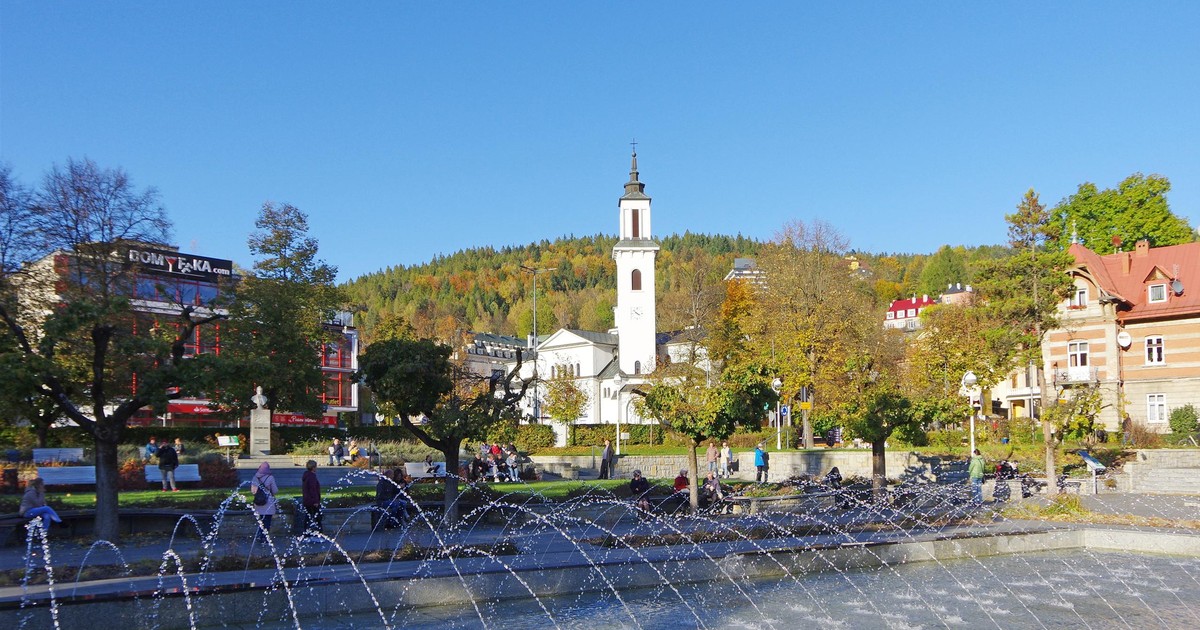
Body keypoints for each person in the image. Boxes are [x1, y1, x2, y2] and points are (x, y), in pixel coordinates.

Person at [250, 462, 279, 540]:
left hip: (258, 502)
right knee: (267, 520)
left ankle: (260, 535)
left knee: (261, 520)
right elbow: (275, 490)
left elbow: (253, 491)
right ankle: (265, 537)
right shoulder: (270, 477)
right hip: (268, 502)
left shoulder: (255, 477)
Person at [300, 459, 322, 534]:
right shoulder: (312, 477)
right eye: (316, 466)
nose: (316, 468)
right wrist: (316, 501)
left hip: (307, 500)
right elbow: (313, 489)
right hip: (312, 500)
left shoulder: (306, 476)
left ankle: (306, 532)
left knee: (308, 516)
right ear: (313, 467)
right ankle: (317, 532)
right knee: (317, 517)